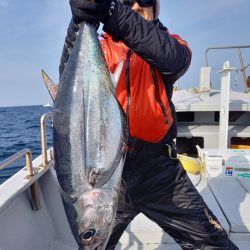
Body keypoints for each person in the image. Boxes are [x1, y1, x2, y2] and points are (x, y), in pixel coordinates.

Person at [60, 0, 239, 249]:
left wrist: (112, 11)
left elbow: (174, 60)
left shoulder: (171, 45)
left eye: (142, 0)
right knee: (92, 241)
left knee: (213, 244)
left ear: (156, 7)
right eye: (125, 1)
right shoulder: (100, 50)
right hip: (113, 176)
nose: (133, 6)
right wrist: (78, 20)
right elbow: (69, 87)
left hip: (161, 175)